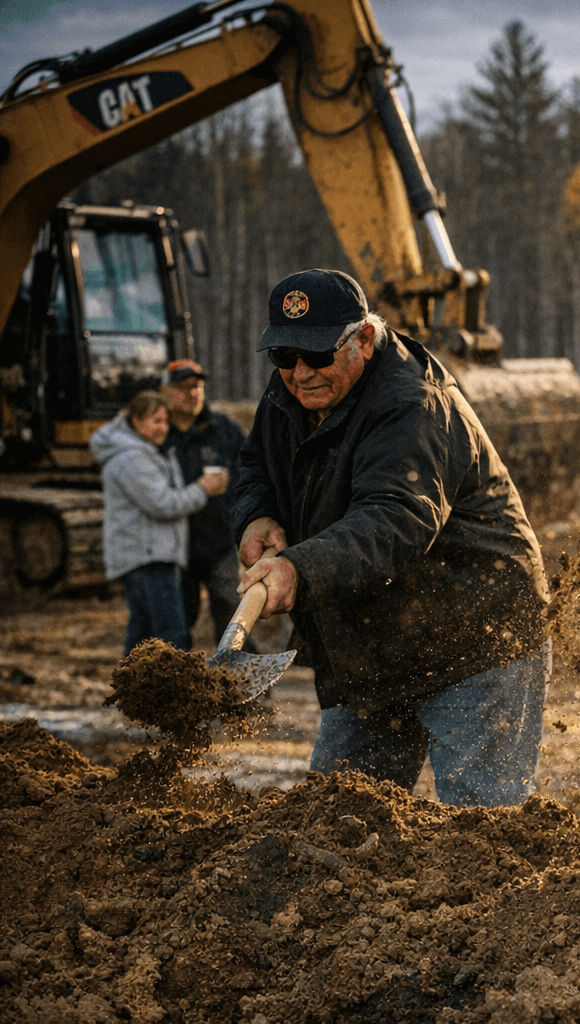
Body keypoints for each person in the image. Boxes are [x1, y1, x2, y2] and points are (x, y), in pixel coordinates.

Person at [230, 268, 550, 807]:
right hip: (373, 632)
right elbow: (256, 463)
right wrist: (256, 516)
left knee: (480, 829)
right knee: (340, 813)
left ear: (365, 339)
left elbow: (395, 517)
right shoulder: (293, 388)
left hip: (474, 632)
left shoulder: (413, 403)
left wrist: (299, 569)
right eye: (284, 357)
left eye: (317, 355)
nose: (300, 372)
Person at [90, 390, 228, 654]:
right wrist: (202, 489)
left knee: (141, 634)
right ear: (136, 422)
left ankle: (129, 691)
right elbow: (163, 504)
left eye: (165, 421)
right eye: (155, 420)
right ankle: (174, 692)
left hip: (145, 555)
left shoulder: (143, 451)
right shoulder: (132, 458)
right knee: (173, 634)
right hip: (149, 557)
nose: (162, 428)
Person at [160, 358, 247, 640]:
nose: (192, 393)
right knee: (175, 628)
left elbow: (254, 474)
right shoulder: (156, 432)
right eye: (183, 387)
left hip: (219, 543)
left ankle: (244, 682)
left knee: (233, 620)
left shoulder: (224, 430)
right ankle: (177, 683)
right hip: (174, 549)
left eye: (197, 386)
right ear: (165, 392)